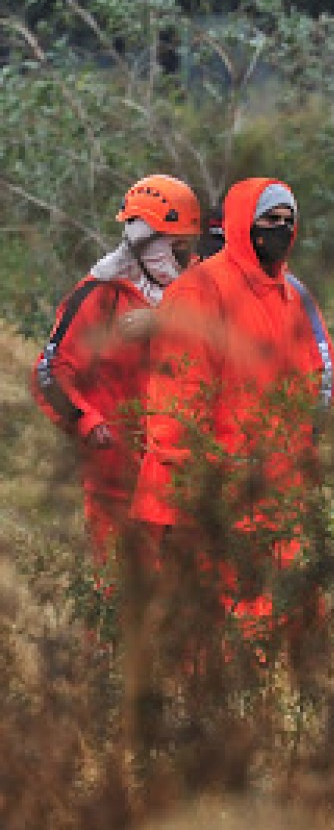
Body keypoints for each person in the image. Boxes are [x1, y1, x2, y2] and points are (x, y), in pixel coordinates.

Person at [129, 177, 334, 650]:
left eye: (287, 220)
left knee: (287, 612)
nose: (280, 229)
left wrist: (299, 450)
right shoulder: (200, 291)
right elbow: (177, 400)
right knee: (214, 617)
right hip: (216, 486)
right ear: (244, 223)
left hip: (277, 485)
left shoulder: (291, 294)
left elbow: (320, 377)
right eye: (269, 220)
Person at [32, 174, 203, 573]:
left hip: (186, 481)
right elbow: (49, 373)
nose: (186, 256)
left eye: (188, 245)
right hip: (118, 484)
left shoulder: (199, 292)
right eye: (177, 247)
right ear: (147, 243)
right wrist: (87, 423)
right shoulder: (98, 295)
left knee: (188, 599)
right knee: (121, 595)